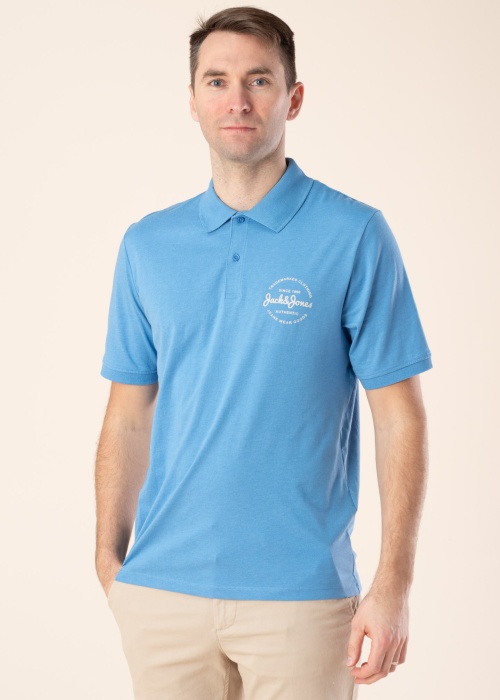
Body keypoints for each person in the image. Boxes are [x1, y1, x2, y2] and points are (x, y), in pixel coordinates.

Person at [94, 6, 433, 700]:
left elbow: (399, 417)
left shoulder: (354, 235)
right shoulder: (147, 245)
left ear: (293, 98)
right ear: (192, 100)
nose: (238, 100)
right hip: (161, 594)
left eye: (259, 80)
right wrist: (108, 558)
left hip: (301, 599)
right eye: (216, 81)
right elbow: (128, 413)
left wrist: (394, 585)